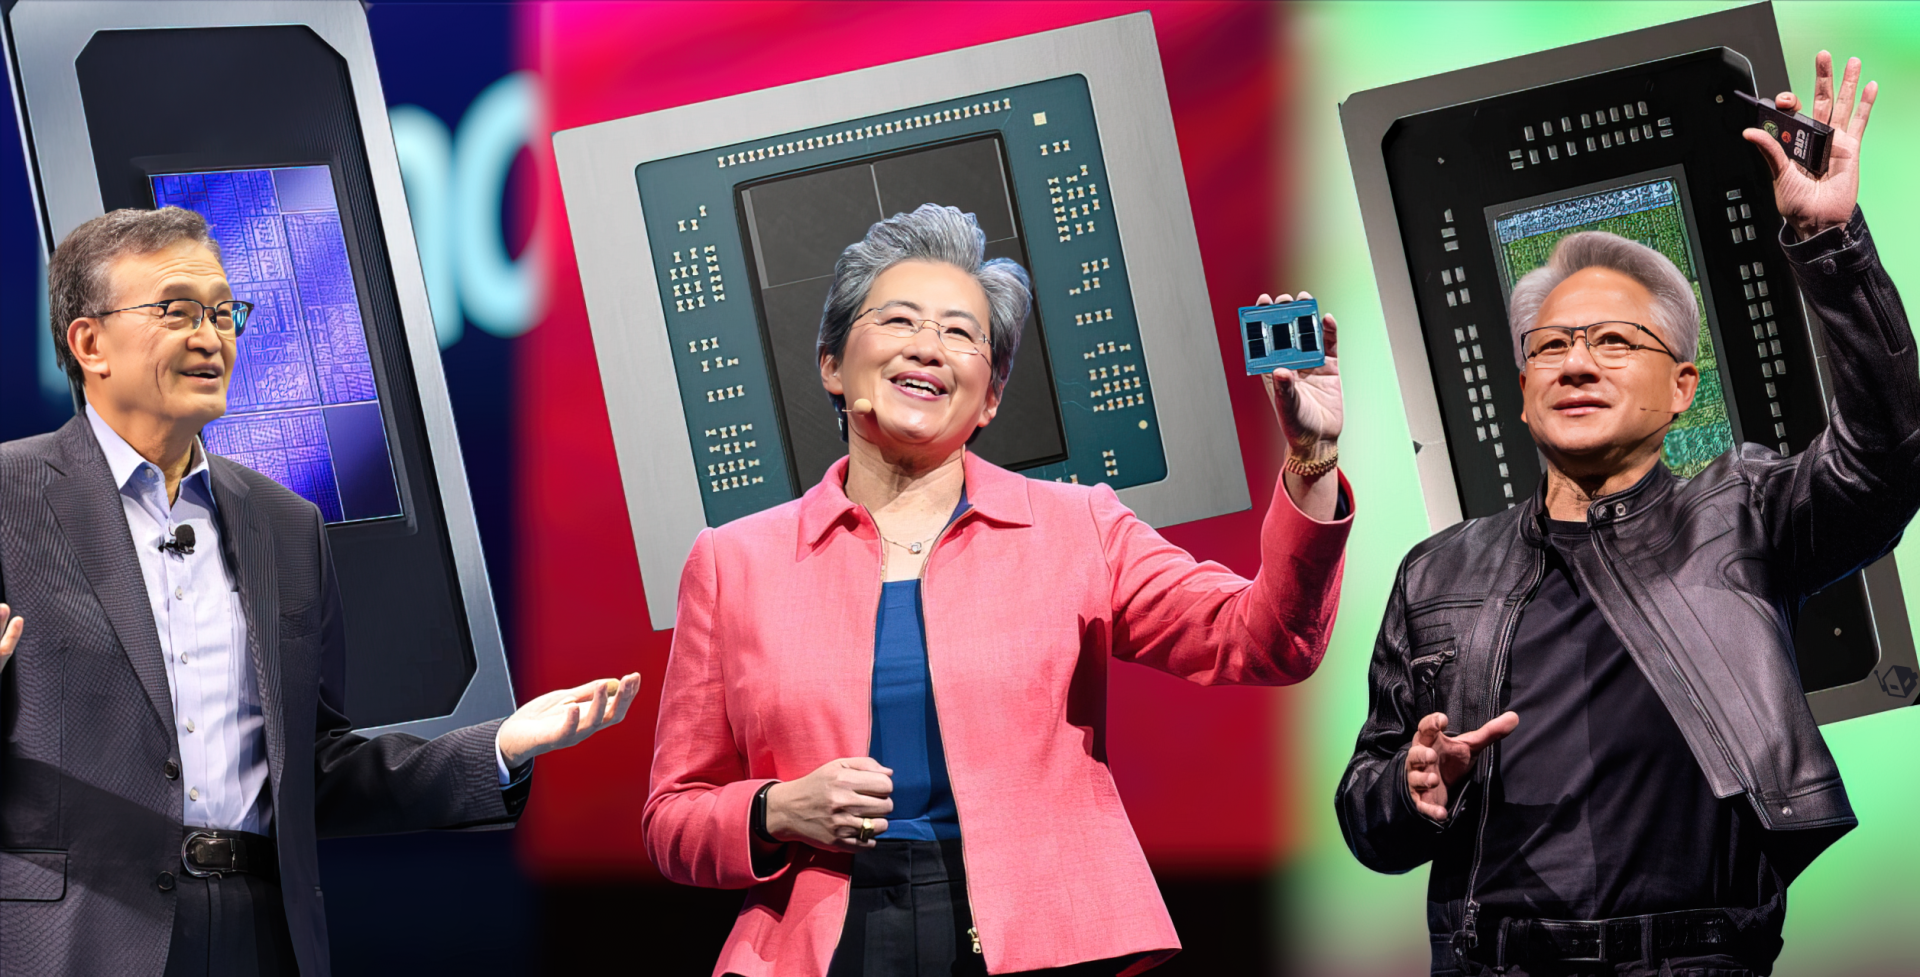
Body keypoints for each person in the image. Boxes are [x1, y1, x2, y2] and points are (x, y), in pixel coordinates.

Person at [647, 203, 1353, 976]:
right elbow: (672, 816)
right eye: (899, 320)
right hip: (827, 943)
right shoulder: (731, 561)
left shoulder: (1077, 524)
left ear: (989, 397)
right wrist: (774, 810)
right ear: (831, 363)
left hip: (1043, 936)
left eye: (961, 333)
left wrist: (1311, 462)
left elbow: (1265, 641)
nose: (929, 347)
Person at [1336, 53, 1914, 977]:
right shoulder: (1436, 573)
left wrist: (1832, 247)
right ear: (1522, 391)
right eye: (1551, 346)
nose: (1576, 363)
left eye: (1614, 341)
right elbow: (1366, 808)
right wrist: (1412, 791)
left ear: (1683, 386)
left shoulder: (1746, 516)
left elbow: (1887, 456)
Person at [0, 206, 643, 977]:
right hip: (77, 940)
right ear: (89, 342)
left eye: (223, 311)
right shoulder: (11, 497)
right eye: (176, 311)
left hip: (260, 932)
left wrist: (497, 748)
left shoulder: (284, 524)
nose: (212, 337)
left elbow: (316, 768)